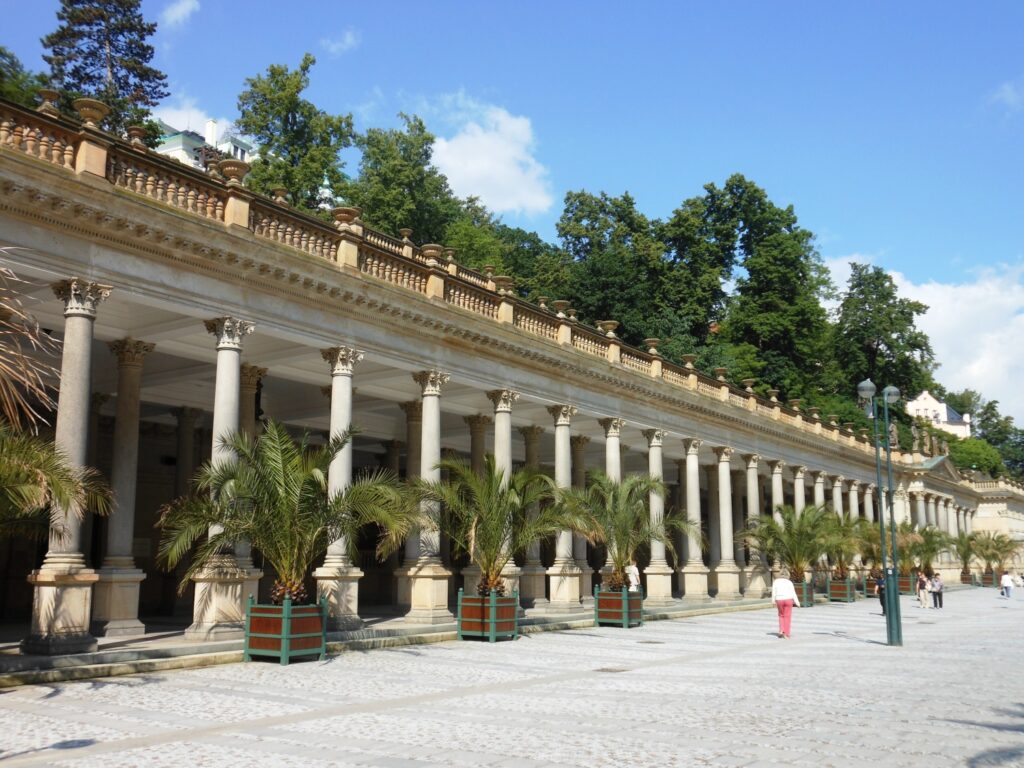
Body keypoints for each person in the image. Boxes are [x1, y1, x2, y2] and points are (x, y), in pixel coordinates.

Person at [770, 567, 801, 638]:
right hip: (788, 599)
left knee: (781, 615)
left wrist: (773, 601)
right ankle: (786, 633)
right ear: (788, 575)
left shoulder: (776, 581)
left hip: (779, 599)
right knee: (787, 616)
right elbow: (793, 593)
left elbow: (774, 592)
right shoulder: (789, 582)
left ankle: (781, 630)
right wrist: (797, 603)